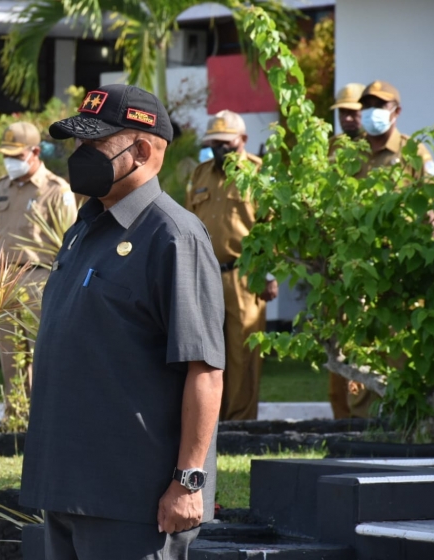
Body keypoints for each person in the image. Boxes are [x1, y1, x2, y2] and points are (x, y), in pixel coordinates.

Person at [20, 84, 225, 560]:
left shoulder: (174, 236)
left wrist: (188, 482)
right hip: (68, 487)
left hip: (132, 499)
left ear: (143, 150)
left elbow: (205, 371)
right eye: (78, 144)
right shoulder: (85, 227)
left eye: (95, 146)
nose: (80, 156)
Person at [343, 80, 434, 418]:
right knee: (358, 356)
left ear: (396, 112)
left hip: (400, 275)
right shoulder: (350, 155)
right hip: (358, 273)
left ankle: (403, 423)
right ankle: (362, 426)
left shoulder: (415, 153)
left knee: (399, 355)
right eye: (366, 105)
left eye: (379, 106)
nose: (371, 113)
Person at [186, 110, 277, 421]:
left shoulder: (259, 174)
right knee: (207, 353)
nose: (219, 148)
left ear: (243, 140)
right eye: (214, 142)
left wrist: (269, 273)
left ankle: (239, 424)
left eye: (226, 142)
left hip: (245, 274)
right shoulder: (200, 174)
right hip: (205, 274)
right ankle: (211, 421)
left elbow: (271, 227)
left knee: (243, 354)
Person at [0, 122, 76, 410]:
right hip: (5, 279)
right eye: (6, 155)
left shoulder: (55, 189)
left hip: (40, 277)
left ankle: (45, 414)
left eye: (16, 154)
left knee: (42, 353)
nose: (9, 161)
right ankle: (16, 414)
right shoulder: (1, 187)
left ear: (35, 152)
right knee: (9, 353)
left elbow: (69, 242)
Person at [327, 83, 364, 419]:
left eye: (354, 112)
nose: (348, 118)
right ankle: (342, 425)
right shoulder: (329, 151)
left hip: (367, 269)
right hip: (331, 268)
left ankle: (365, 421)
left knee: (362, 348)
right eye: (343, 113)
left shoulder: (380, 153)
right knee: (334, 350)